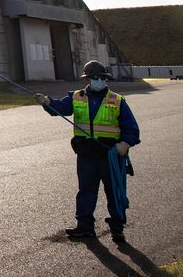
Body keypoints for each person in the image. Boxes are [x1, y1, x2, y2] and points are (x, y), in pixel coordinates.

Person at [34, 60, 139, 243]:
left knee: (114, 191)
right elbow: (60, 108)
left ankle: (117, 228)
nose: (97, 80)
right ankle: (84, 227)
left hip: (109, 155)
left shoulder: (117, 100)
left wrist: (126, 144)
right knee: (86, 191)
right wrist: (47, 102)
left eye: (100, 78)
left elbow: (132, 129)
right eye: (93, 78)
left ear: (106, 79)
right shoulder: (76, 97)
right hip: (86, 155)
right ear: (87, 79)